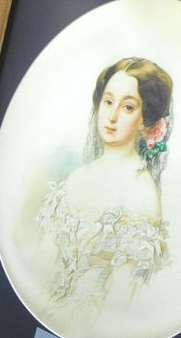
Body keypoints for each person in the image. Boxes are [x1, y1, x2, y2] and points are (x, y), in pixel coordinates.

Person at [36, 55, 173, 307]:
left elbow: (121, 297)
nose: (112, 116)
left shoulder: (142, 194)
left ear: (146, 119)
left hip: (88, 320)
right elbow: (42, 262)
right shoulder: (77, 177)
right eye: (108, 102)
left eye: (128, 107)